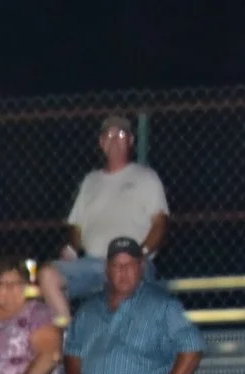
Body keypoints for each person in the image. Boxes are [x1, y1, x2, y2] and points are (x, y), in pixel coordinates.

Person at [33, 239, 203, 374]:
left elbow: (192, 347)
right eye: (116, 265)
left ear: (141, 267)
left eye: (130, 265)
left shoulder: (164, 305)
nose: (123, 272)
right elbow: (73, 349)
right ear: (107, 269)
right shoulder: (88, 310)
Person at [39, 114, 171, 327]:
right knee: (47, 275)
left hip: (131, 261)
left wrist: (141, 254)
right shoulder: (90, 181)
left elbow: (160, 224)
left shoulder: (146, 177)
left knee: (124, 279)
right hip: (93, 263)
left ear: (130, 141)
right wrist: (73, 248)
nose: (114, 139)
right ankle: (71, 341)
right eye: (109, 135)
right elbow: (76, 225)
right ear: (101, 143)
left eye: (120, 134)